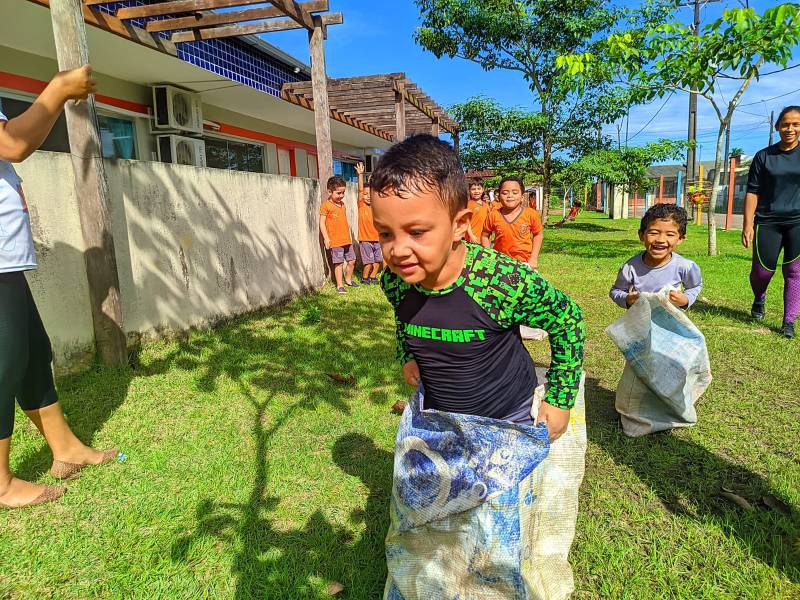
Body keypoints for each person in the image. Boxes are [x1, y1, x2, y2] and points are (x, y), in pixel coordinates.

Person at [371, 134, 585, 597]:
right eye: (385, 233)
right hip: (441, 422)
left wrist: (560, 399)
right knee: (436, 526)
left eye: (417, 232)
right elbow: (401, 318)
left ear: (460, 224)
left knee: (494, 538)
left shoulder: (501, 281)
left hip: (505, 424)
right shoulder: (396, 281)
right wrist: (407, 354)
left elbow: (567, 320)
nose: (398, 249)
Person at [0, 66, 118, 509]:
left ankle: (66, 448)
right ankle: (1, 483)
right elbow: (12, 144)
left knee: (33, 352)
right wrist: (58, 89)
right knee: (5, 362)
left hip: (6, 258)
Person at [742, 105, 800, 338]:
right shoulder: (764, 156)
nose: (790, 129)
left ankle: (789, 322)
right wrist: (748, 224)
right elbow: (752, 192)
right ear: (777, 127)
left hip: (797, 222)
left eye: (795, 124)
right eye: (785, 124)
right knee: (762, 273)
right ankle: (759, 297)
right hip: (767, 221)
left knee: (794, 271)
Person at [610, 204, 702, 309]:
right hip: (640, 318)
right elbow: (616, 291)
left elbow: (695, 286)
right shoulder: (630, 267)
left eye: (670, 234)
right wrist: (627, 299)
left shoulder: (685, 266)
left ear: (680, 239)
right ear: (642, 235)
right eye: (653, 233)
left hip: (671, 318)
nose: (660, 240)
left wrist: (686, 300)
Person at [481, 176, 544, 271]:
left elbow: (538, 235)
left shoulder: (531, 214)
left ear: (522, 196)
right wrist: (489, 255)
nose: (510, 196)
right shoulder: (493, 215)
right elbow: (484, 235)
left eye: (515, 192)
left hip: (525, 263)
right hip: (500, 263)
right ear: (498, 196)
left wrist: (533, 258)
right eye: (505, 193)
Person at [319, 175, 358, 293]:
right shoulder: (326, 206)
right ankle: (340, 285)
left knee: (352, 261)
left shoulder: (343, 205)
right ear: (330, 192)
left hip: (347, 240)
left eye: (343, 193)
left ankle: (348, 280)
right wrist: (326, 238)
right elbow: (322, 223)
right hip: (335, 242)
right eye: (338, 193)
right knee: (339, 263)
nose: (341, 195)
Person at [355, 162, 382, 284]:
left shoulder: (377, 206)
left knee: (378, 260)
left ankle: (373, 276)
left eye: (370, 194)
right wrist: (360, 175)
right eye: (366, 194)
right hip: (366, 240)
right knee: (369, 262)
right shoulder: (361, 205)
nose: (368, 196)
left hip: (377, 239)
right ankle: (365, 278)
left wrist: (374, 182)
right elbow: (360, 190)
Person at [465, 178, 488, 244]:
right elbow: (466, 222)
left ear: (483, 190)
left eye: (479, 189)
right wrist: (471, 236)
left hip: (484, 238)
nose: (476, 191)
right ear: (469, 190)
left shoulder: (486, 205)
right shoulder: (468, 204)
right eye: (473, 189)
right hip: (473, 239)